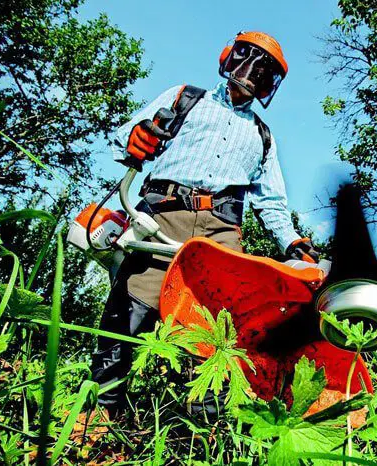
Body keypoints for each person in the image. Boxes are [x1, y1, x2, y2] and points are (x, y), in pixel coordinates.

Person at [91, 31, 320, 413]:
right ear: (229, 57)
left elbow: (272, 203)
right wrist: (137, 138)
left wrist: (291, 242)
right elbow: (123, 139)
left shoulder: (262, 135)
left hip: (220, 230)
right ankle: (99, 414)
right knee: (130, 312)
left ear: (270, 85)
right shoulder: (185, 98)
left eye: (264, 72)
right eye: (247, 60)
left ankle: (200, 432)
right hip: (164, 213)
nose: (251, 74)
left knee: (221, 331)